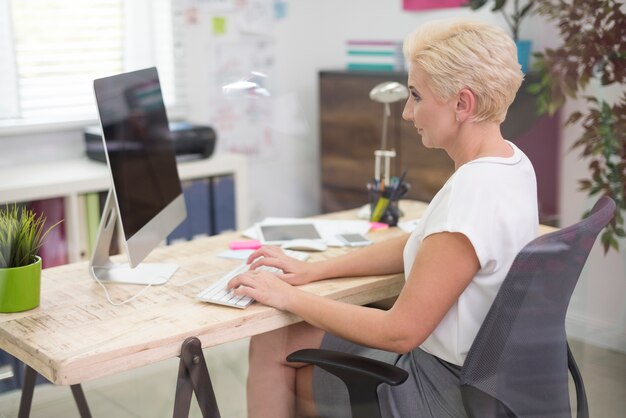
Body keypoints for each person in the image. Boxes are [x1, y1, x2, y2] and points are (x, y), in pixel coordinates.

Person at [228, 18, 539, 418]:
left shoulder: (472, 193)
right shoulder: (511, 163)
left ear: (462, 104)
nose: (408, 112)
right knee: (286, 335)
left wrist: (288, 296)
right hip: (485, 380)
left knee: (273, 342)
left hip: (436, 391)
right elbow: (423, 244)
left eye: (416, 96)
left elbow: (399, 332)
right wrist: (313, 271)